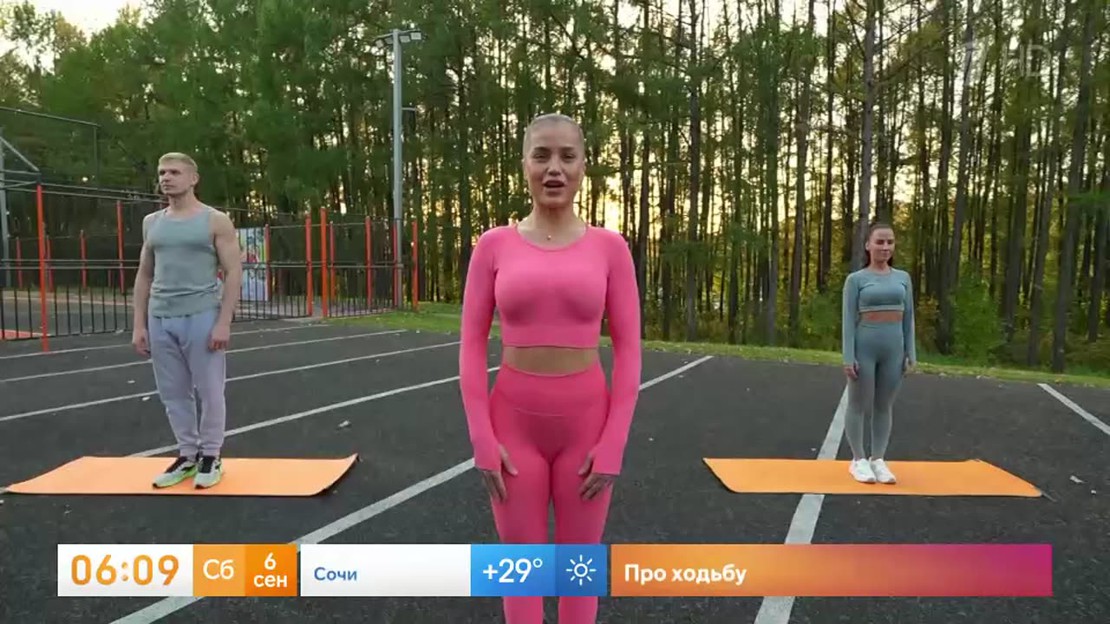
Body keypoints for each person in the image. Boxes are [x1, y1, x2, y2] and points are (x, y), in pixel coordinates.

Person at [458, 113, 642, 623]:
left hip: (587, 427)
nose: (554, 168)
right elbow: (471, 345)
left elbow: (629, 351)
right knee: (522, 576)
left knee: (578, 575)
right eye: (541, 156)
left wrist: (614, 443)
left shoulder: (610, 248)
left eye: (567, 156)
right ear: (524, 164)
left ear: (583, 166)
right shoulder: (493, 245)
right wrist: (481, 438)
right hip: (513, 427)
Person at [131, 152, 243, 489]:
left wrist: (224, 322)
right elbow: (144, 274)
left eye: (174, 172)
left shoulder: (215, 220)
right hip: (160, 316)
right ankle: (188, 454)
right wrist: (139, 324)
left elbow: (233, 271)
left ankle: (211, 454)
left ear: (193, 179)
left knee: (209, 390)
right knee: (173, 393)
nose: (166, 178)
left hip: (201, 314)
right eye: (162, 172)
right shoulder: (152, 222)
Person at [840, 221, 916, 485]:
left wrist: (911, 351)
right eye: (880, 241)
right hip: (865, 348)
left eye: (890, 242)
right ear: (868, 245)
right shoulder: (856, 280)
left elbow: (909, 318)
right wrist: (848, 356)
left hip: (894, 350)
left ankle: (878, 459)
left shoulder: (903, 278)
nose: (885, 247)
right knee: (858, 404)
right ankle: (858, 459)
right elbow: (848, 320)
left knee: (884, 405)